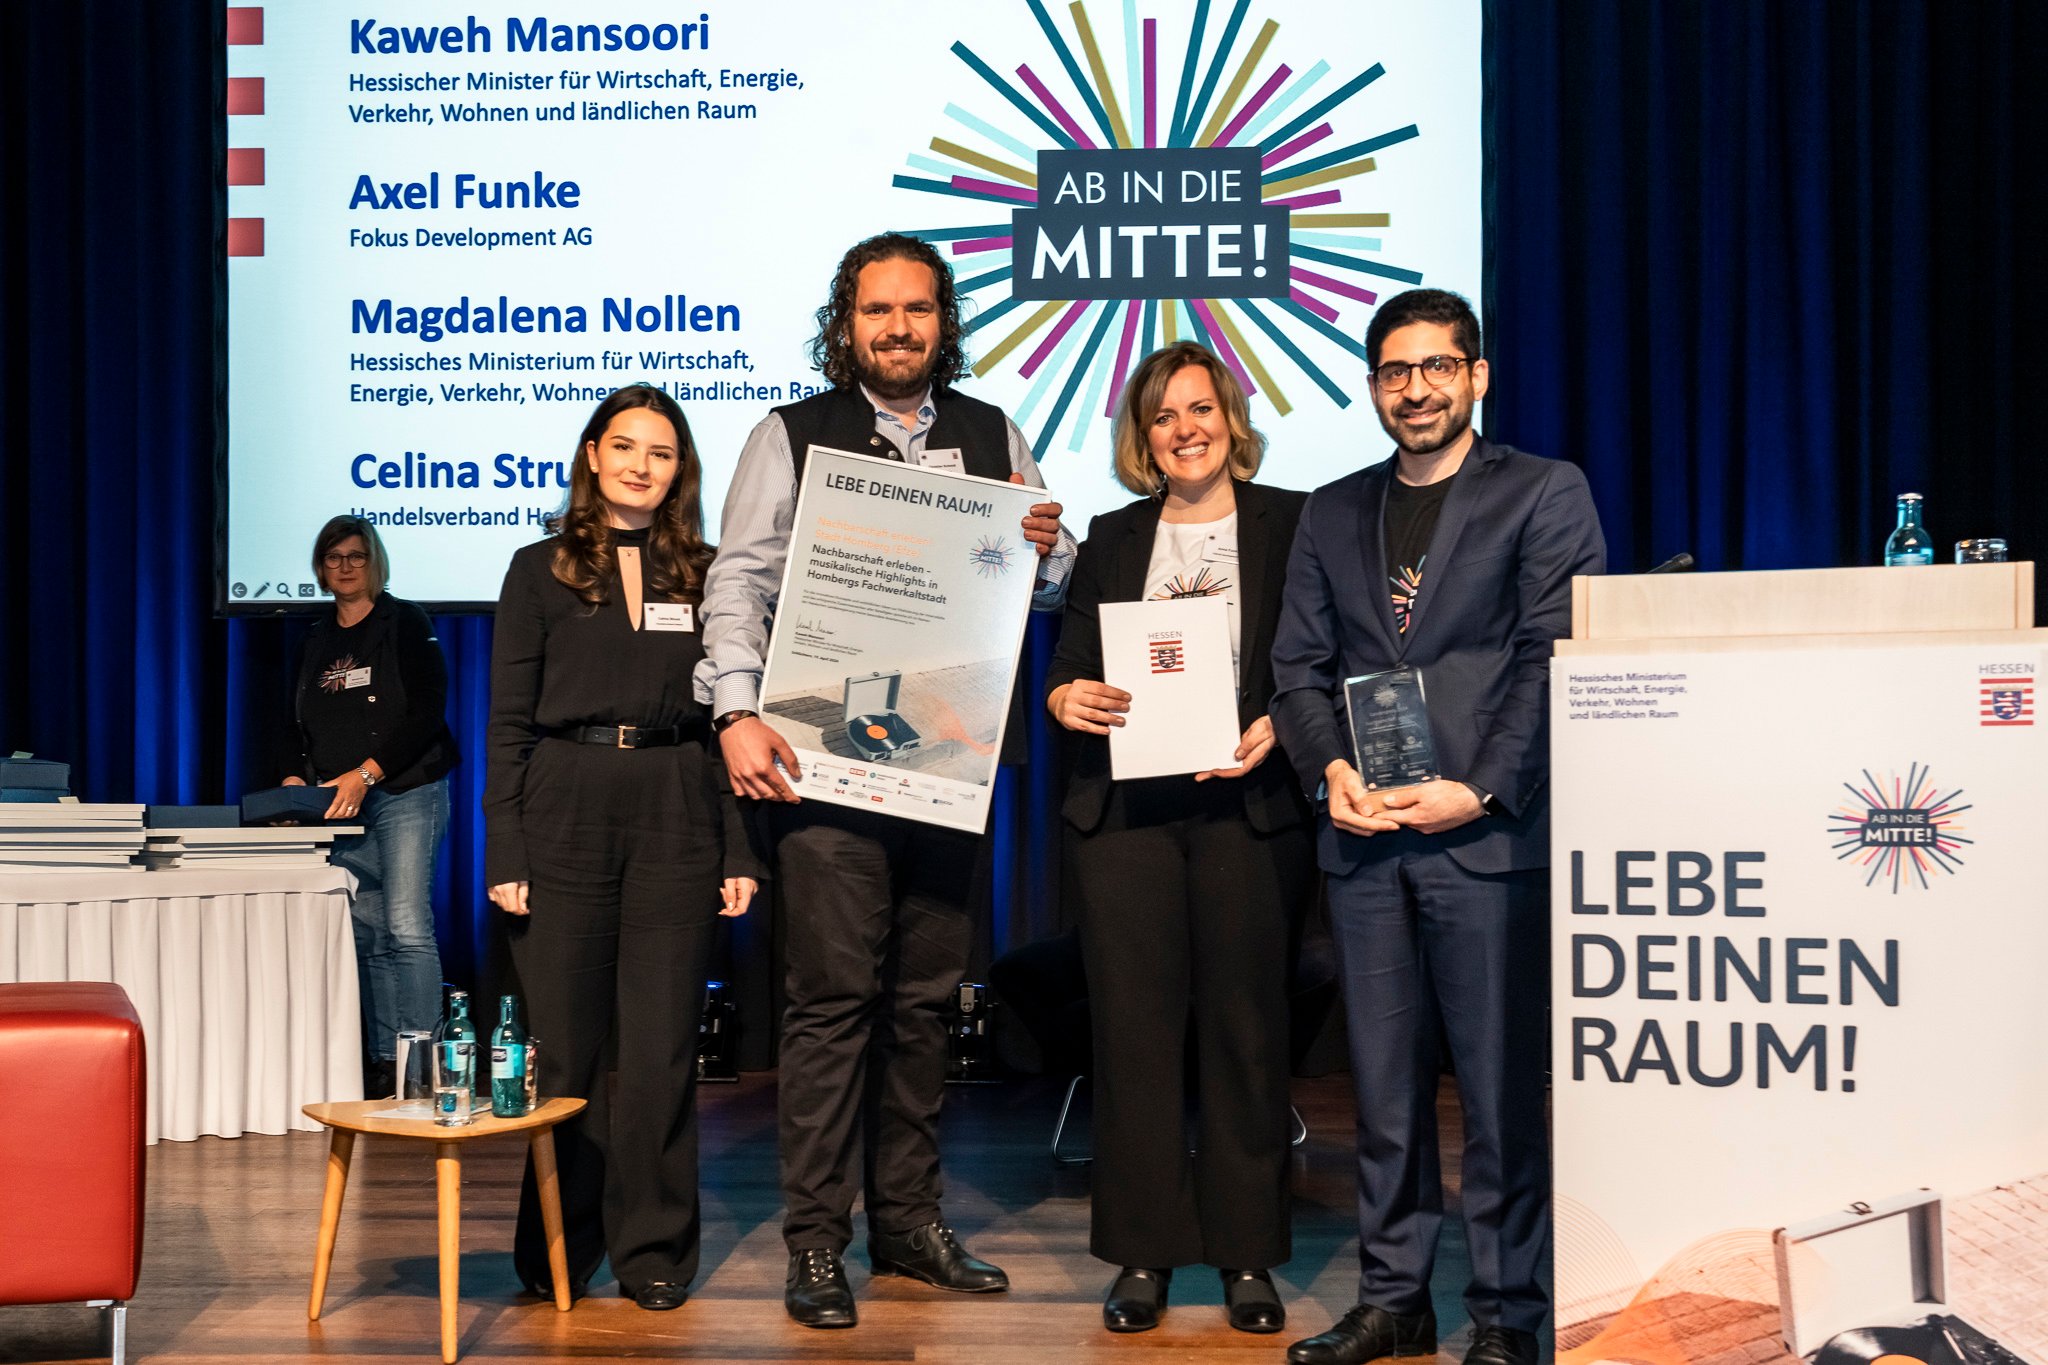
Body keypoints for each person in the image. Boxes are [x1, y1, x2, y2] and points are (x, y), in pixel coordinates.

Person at [696, 231, 1075, 1329]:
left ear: (942, 321)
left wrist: (1046, 543)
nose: (898, 328)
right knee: (830, 1006)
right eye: (877, 310)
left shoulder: (993, 432)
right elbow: (739, 583)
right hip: (823, 761)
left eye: (917, 309)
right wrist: (734, 710)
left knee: (920, 1005)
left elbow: (1049, 582)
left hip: (945, 766)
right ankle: (817, 1241)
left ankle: (907, 1221)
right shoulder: (788, 434)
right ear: (846, 323)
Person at [1270, 290, 1605, 1365]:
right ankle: (1394, 1300)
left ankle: (1507, 1316)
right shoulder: (1331, 510)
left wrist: (1484, 789)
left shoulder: (1542, 491)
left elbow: (1552, 656)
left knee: (1499, 1098)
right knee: (1382, 1094)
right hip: (1366, 841)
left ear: (1476, 375)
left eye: (1436, 367)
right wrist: (1329, 771)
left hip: (1483, 840)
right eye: (1394, 371)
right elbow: (1296, 667)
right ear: (1372, 385)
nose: (1414, 389)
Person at [1043, 341, 1313, 1336]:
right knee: (1134, 1038)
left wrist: (1281, 721)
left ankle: (1246, 1254)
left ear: (1229, 419)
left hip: (1248, 808)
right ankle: (1143, 1253)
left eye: (1200, 408)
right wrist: (1067, 698)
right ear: (1141, 437)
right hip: (1127, 821)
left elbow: (1321, 655)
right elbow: (1067, 665)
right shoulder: (1113, 536)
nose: (1184, 429)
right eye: (1163, 415)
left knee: (1246, 1033)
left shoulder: (1293, 521)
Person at [483, 384, 763, 1312]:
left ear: (681, 471)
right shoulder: (538, 569)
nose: (643, 465)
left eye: (662, 452)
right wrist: (505, 849)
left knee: (661, 1050)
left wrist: (739, 847)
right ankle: (559, 1246)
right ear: (592, 455)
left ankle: (655, 1250)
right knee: (564, 1057)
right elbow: (507, 724)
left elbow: (730, 720)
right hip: (565, 805)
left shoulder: (712, 574)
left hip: (678, 804)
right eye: (626, 446)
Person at [281, 514, 459, 1100]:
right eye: (334, 558)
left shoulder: (405, 621)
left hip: (404, 791)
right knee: (368, 931)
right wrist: (295, 777)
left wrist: (366, 775)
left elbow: (427, 711)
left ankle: (422, 1067)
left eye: (356, 556)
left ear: (374, 562)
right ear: (320, 568)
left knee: (406, 926)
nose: (345, 567)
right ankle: (387, 1061)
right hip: (338, 804)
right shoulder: (314, 639)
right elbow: (296, 722)